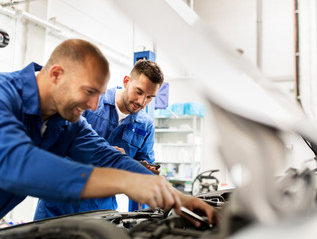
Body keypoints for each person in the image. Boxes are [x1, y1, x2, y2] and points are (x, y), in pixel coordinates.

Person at [0, 39, 218, 227]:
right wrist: (124, 182)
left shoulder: (66, 122)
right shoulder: (4, 95)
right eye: (88, 92)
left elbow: (109, 156)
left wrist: (175, 196)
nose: (94, 106)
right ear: (57, 74)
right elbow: (16, 163)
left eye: (99, 95)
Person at [35, 60, 163, 217]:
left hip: (101, 208)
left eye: (150, 97)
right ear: (126, 81)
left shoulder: (146, 125)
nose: (142, 102)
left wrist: (143, 169)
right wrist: (110, 157)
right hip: (60, 200)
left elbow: (143, 169)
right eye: (139, 92)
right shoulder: (92, 100)